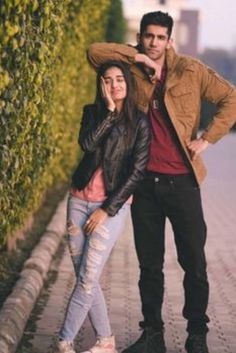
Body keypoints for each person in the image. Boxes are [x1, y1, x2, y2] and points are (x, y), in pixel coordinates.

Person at [87, 11, 236, 353]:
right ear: (141, 37)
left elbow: (231, 99)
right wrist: (137, 57)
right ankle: (152, 335)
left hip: (182, 183)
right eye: (148, 36)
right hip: (143, 185)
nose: (154, 43)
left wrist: (206, 139)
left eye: (159, 37)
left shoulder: (191, 71)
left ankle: (197, 336)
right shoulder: (131, 67)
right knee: (149, 265)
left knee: (194, 264)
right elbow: (94, 52)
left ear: (170, 39)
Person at [50, 61, 150, 353]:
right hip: (78, 201)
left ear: (128, 84)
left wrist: (107, 209)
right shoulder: (92, 112)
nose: (115, 85)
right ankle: (106, 340)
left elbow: (137, 172)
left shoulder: (140, 122)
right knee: (86, 276)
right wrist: (108, 112)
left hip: (108, 209)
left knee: (86, 278)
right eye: (108, 80)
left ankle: (64, 341)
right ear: (101, 85)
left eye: (120, 79)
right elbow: (87, 144)